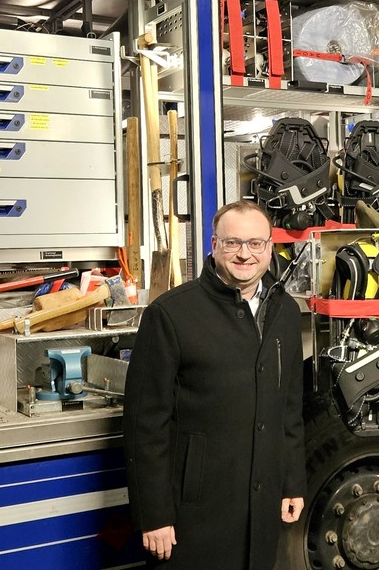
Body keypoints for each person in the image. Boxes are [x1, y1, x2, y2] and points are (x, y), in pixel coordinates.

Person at [123, 200, 306, 568]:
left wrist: (292, 482)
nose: (245, 254)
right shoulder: (172, 315)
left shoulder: (285, 311)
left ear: (270, 248)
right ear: (214, 245)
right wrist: (154, 514)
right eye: (233, 243)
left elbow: (288, 409)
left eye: (256, 243)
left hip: (261, 505)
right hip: (194, 512)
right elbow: (145, 424)